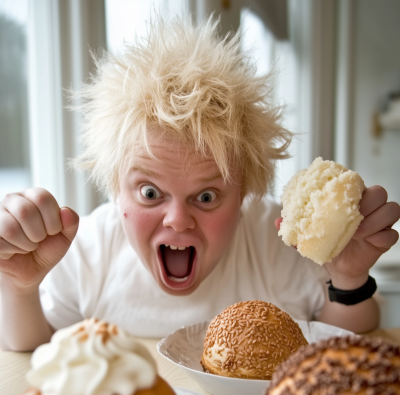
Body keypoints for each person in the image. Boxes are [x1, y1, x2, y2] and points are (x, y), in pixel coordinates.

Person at [0, 15, 399, 352]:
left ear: (243, 194)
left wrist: (348, 281)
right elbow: (33, 350)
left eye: (206, 196)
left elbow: (345, 339)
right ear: (114, 188)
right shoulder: (90, 252)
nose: (177, 220)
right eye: (150, 193)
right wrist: (19, 288)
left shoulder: (274, 242)